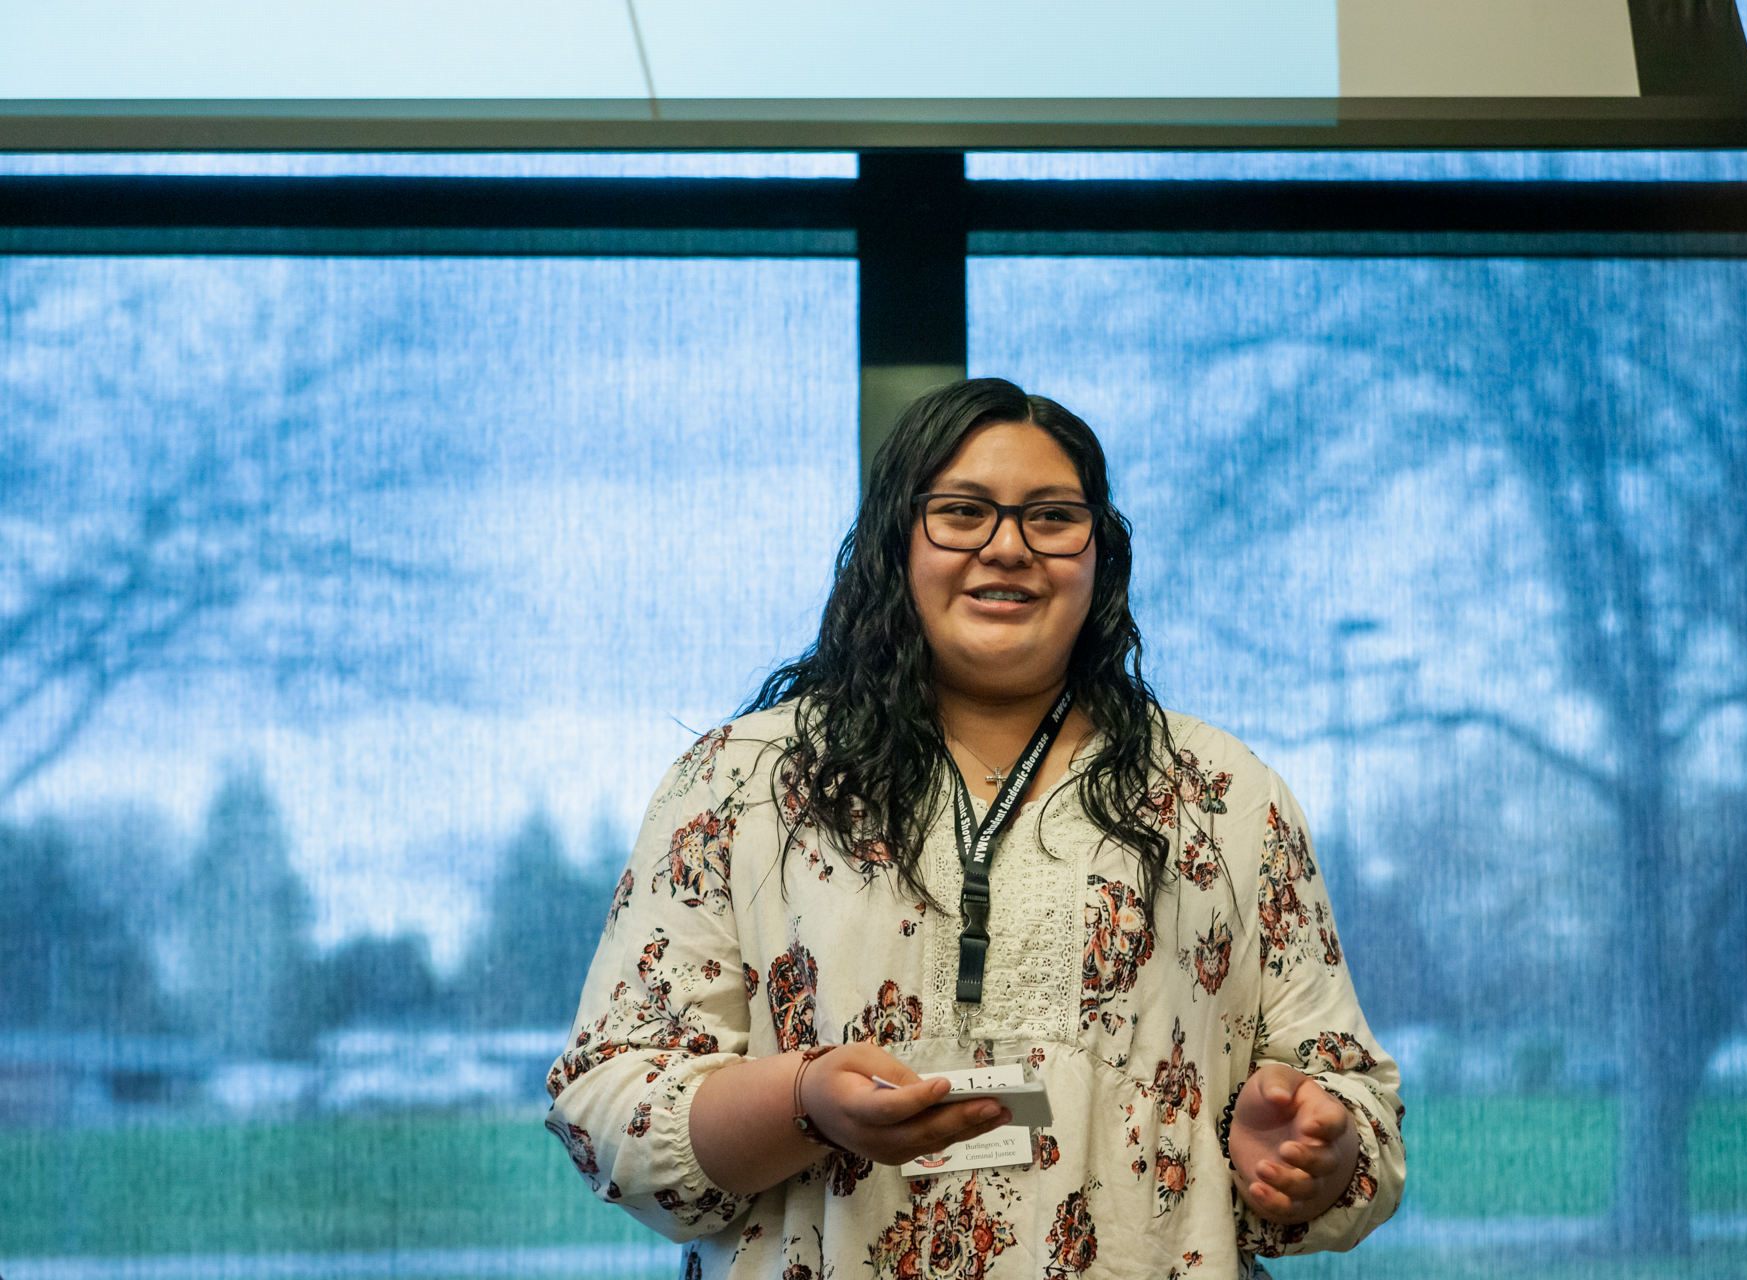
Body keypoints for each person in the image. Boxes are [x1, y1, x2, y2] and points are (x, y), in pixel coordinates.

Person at [544, 379, 1404, 1278]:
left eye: (1052, 517)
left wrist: (1316, 1154)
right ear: (896, 542)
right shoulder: (743, 783)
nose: (1009, 547)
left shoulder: (1223, 794)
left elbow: (1359, 1107)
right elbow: (610, 1109)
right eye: (962, 513)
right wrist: (803, 1101)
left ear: (1099, 553)